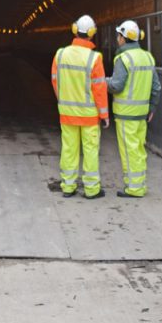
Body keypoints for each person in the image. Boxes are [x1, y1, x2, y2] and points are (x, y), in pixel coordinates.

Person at [51, 15, 109, 199]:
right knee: (90, 151)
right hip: (89, 116)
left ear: (75, 30)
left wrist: (63, 101)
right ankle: (92, 189)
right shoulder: (94, 58)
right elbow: (99, 89)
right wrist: (104, 114)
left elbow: (55, 81)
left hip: (67, 114)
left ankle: (68, 187)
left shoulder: (60, 54)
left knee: (69, 149)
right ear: (92, 34)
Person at [107, 20, 161, 198]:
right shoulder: (147, 57)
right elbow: (156, 87)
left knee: (129, 151)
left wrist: (102, 81)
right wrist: (152, 107)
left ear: (123, 38)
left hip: (126, 115)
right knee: (138, 149)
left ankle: (134, 188)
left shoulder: (123, 59)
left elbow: (117, 86)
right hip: (141, 114)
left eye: (118, 35)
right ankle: (140, 184)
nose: (117, 39)